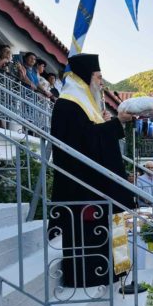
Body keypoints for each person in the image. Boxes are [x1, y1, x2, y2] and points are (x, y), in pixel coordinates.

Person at [48, 53, 135, 288]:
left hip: (98, 186)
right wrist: (117, 123)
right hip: (83, 187)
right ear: (85, 77)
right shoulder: (68, 104)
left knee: (107, 230)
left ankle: (113, 274)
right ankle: (90, 277)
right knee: (89, 234)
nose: (101, 82)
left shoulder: (86, 105)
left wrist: (107, 124)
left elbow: (94, 138)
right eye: (98, 77)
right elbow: (86, 142)